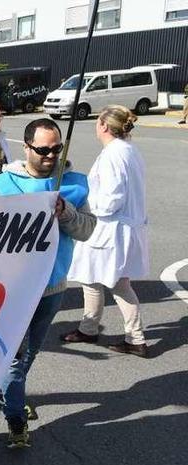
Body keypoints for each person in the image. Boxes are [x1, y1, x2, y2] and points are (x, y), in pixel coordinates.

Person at [0, 118, 96, 449]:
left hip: (53, 286)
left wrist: (67, 213)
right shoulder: (1, 185)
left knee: (29, 354)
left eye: (56, 149)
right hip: (12, 291)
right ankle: (15, 417)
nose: (50, 155)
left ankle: (9, 390)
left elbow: (88, 230)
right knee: (15, 358)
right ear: (26, 147)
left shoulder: (74, 184)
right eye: (43, 150)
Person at [63, 106, 149, 357]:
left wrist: (84, 208)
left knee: (116, 283)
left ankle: (135, 338)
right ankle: (89, 328)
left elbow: (112, 199)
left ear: (103, 125)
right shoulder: (129, 150)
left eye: (97, 121)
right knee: (91, 277)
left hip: (108, 228)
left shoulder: (113, 154)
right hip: (121, 227)